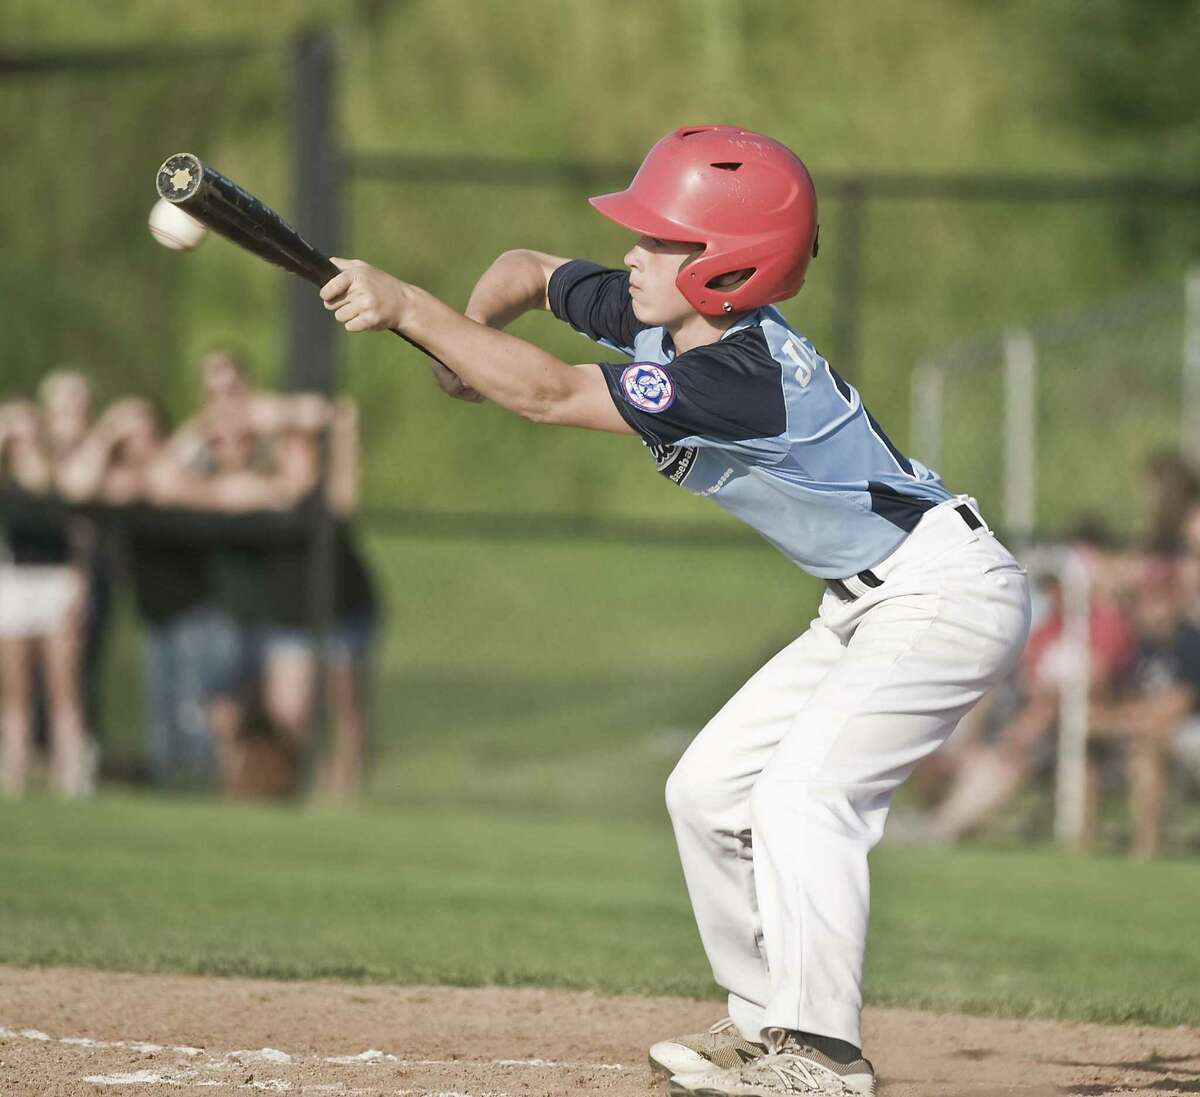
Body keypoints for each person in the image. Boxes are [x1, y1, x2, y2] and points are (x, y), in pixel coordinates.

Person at [317, 126, 1030, 1096]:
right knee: (706, 792)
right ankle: (762, 1020)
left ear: (731, 265)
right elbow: (525, 269)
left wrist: (410, 308)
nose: (634, 254)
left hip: (943, 592)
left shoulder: (740, 377)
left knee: (802, 795)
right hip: (870, 602)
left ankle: (822, 1053)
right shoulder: (673, 316)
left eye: (663, 239)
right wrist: (465, 339)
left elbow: (549, 393)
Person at [0, 400, 91, 797]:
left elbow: (80, 535)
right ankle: (14, 769)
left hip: (56, 582)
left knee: (63, 685)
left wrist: (80, 582)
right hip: (15, 583)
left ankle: (68, 772)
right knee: (15, 688)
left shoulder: (61, 477)